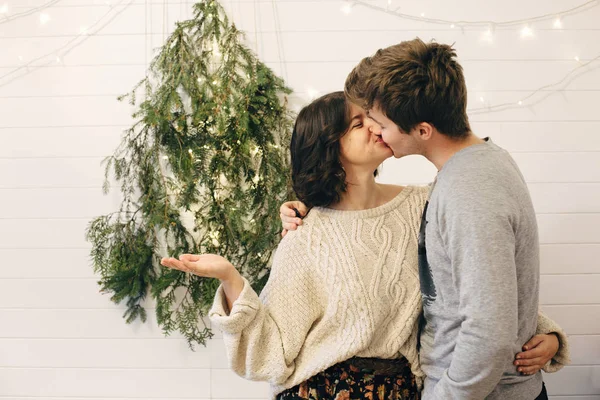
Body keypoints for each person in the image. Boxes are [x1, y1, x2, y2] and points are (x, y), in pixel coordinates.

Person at [162, 92, 568, 400]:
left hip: (405, 390)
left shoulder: (424, 204)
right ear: (329, 145)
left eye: (371, 117)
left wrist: (543, 332)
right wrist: (231, 278)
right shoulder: (307, 237)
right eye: (358, 123)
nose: (376, 126)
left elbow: (475, 278)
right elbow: (270, 350)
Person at [280, 39, 570, 400]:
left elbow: (489, 329)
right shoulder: (473, 170)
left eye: (379, 121)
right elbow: (478, 285)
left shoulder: (468, 190)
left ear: (421, 130)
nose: (374, 128)